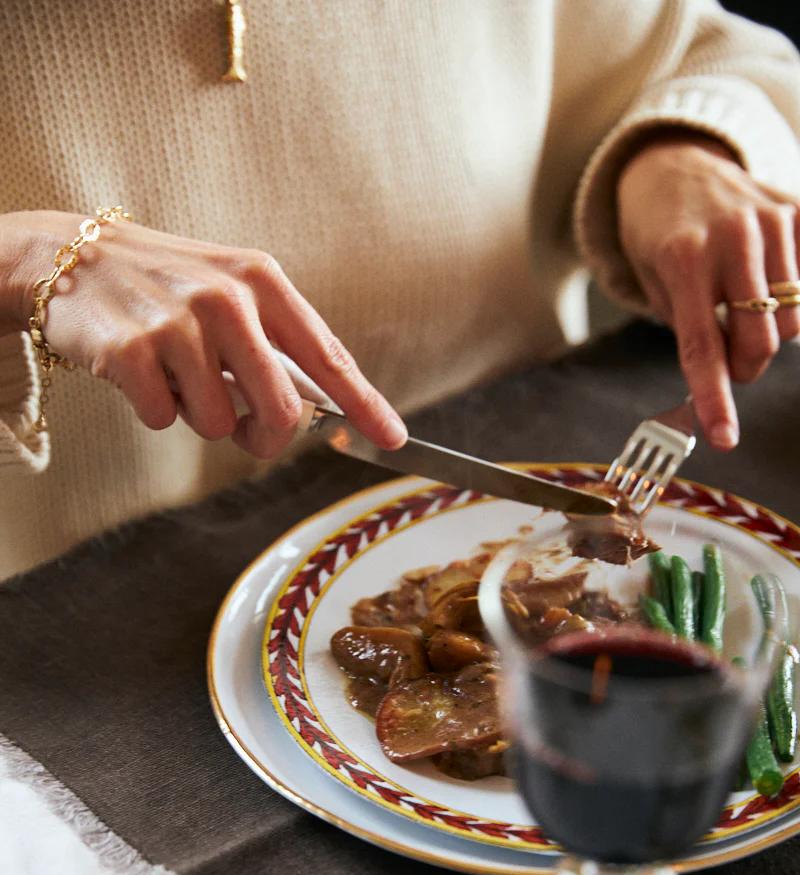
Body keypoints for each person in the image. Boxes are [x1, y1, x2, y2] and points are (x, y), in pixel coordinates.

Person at [0, 0, 798, 581]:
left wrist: (682, 148)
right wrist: (27, 260)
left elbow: (701, 49)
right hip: (71, 601)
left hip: (513, 463)